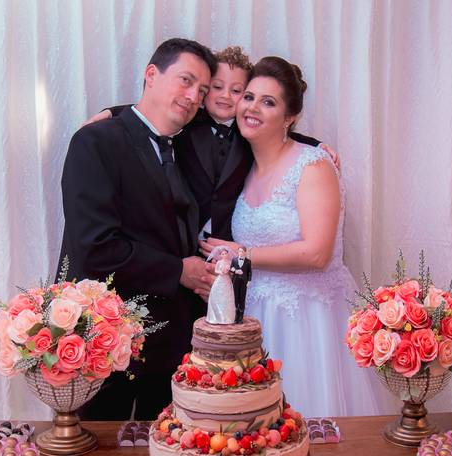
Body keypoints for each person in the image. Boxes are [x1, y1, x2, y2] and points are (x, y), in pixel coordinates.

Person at [201, 56, 383, 417]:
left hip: (309, 320)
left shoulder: (313, 165)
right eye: (249, 97)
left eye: (268, 102)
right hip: (255, 317)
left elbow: (317, 253)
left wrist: (242, 253)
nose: (252, 108)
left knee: (309, 421)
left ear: (290, 117)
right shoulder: (243, 169)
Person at [57, 38, 217, 420]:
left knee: (168, 450)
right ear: (151, 75)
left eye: (202, 91)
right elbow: (95, 245)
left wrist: (312, 144)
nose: (193, 97)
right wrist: (179, 270)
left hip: (171, 347)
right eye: (186, 80)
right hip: (105, 340)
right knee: (98, 450)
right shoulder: (96, 141)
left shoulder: (186, 147)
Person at [86, 46, 336, 249]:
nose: (225, 96)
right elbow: (151, 111)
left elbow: (280, 132)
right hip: (184, 243)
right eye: (216, 87)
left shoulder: (249, 132)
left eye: (237, 91)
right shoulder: (185, 123)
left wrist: (317, 144)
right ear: (204, 90)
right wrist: (111, 112)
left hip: (229, 243)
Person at [205, 246, 235, 324]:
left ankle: (228, 317)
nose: (224, 255)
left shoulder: (229, 262)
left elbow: (232, 270)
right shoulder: (219, 262)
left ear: (227, 254)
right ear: (220, 255)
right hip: (221, 278)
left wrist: (230, 271)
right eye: (222, 254)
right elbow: (216, 270)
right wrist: (221, 272)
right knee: (217, 293)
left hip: (227, 279)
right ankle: (217, 317)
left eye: (225, 253)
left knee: (227, 295)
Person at [230, 246, 251, 323]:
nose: (240, 253)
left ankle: (241, 317)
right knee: (235, 298)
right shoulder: (234, 259)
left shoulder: (248, 261)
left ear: (245, 252)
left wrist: (249, 281)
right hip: (235, 281)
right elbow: (231, 268)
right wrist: (235, 271)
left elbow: (249, 272)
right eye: (239, 251)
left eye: (242, 251)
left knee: (242, 298)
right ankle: (235, 316)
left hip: (244, 282)